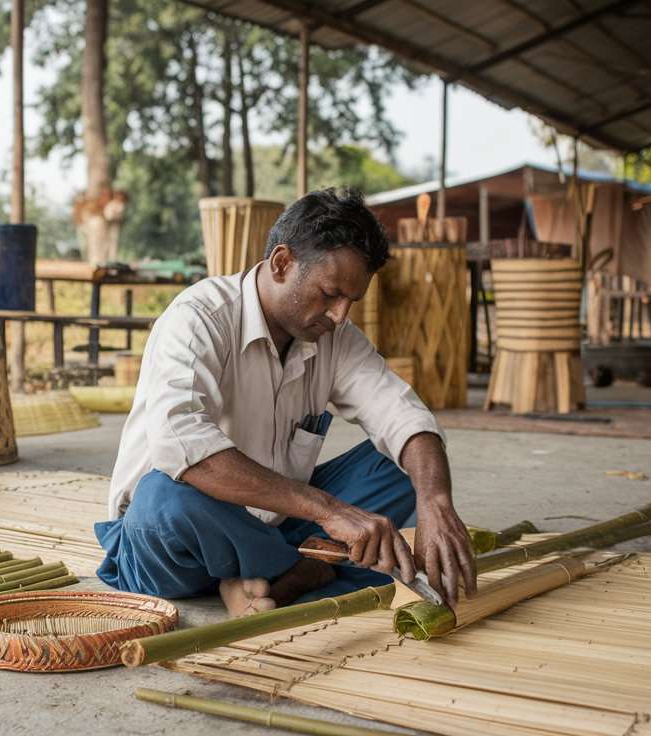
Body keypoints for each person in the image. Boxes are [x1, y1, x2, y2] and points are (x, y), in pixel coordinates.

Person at [94, 188, 477, 617]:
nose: (340, 315)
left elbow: (400, 412)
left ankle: (266, 574)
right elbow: (183, 446)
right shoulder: (198, 318)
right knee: (165, 496)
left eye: (352, 301)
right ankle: (305, 572)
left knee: (402, 466)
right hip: (172, 546)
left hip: (276, 526)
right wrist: (329, 510)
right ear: (281, 263)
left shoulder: (334, 337)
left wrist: (435, 503)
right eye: (330, 293)